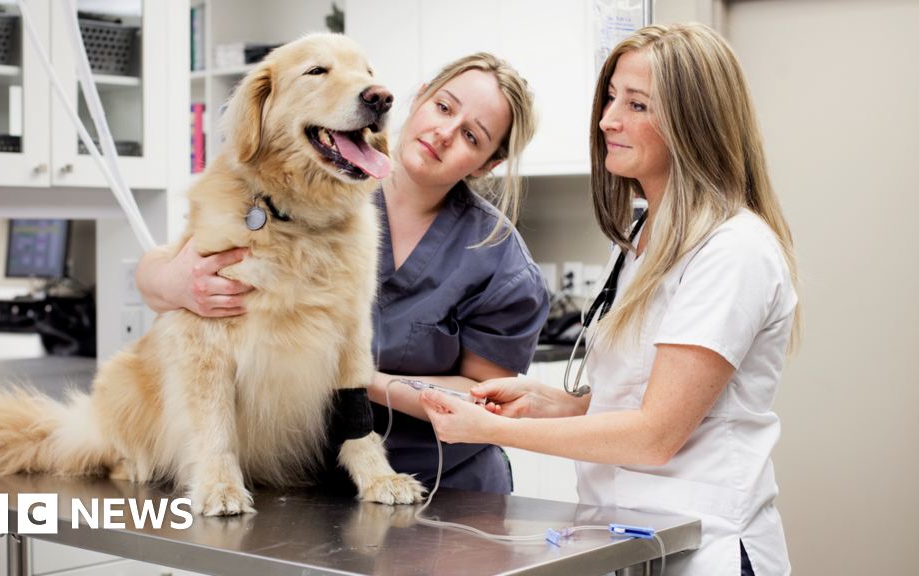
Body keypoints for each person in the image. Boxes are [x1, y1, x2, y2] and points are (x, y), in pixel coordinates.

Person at [418, 23, 802, 575]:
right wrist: (544, 401)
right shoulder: (645, 237)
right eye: (611, 97)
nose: (607, 119)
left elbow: (655, 435)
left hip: (706, 545)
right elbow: (633, 402)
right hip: (634, 540)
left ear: (694, 123)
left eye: (637, 104)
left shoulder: (732, 249)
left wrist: (492, 431)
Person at [135, 53, 550, 495]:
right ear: (419, 97)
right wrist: (170, 283)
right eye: (443, 107)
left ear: (486, 165)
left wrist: (345, 376)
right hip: (303, 481)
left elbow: (485, 400)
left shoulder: (500, 263)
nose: (444, 134)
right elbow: (170, 263)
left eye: (471, 135)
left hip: (443, 487)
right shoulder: (311, 180)